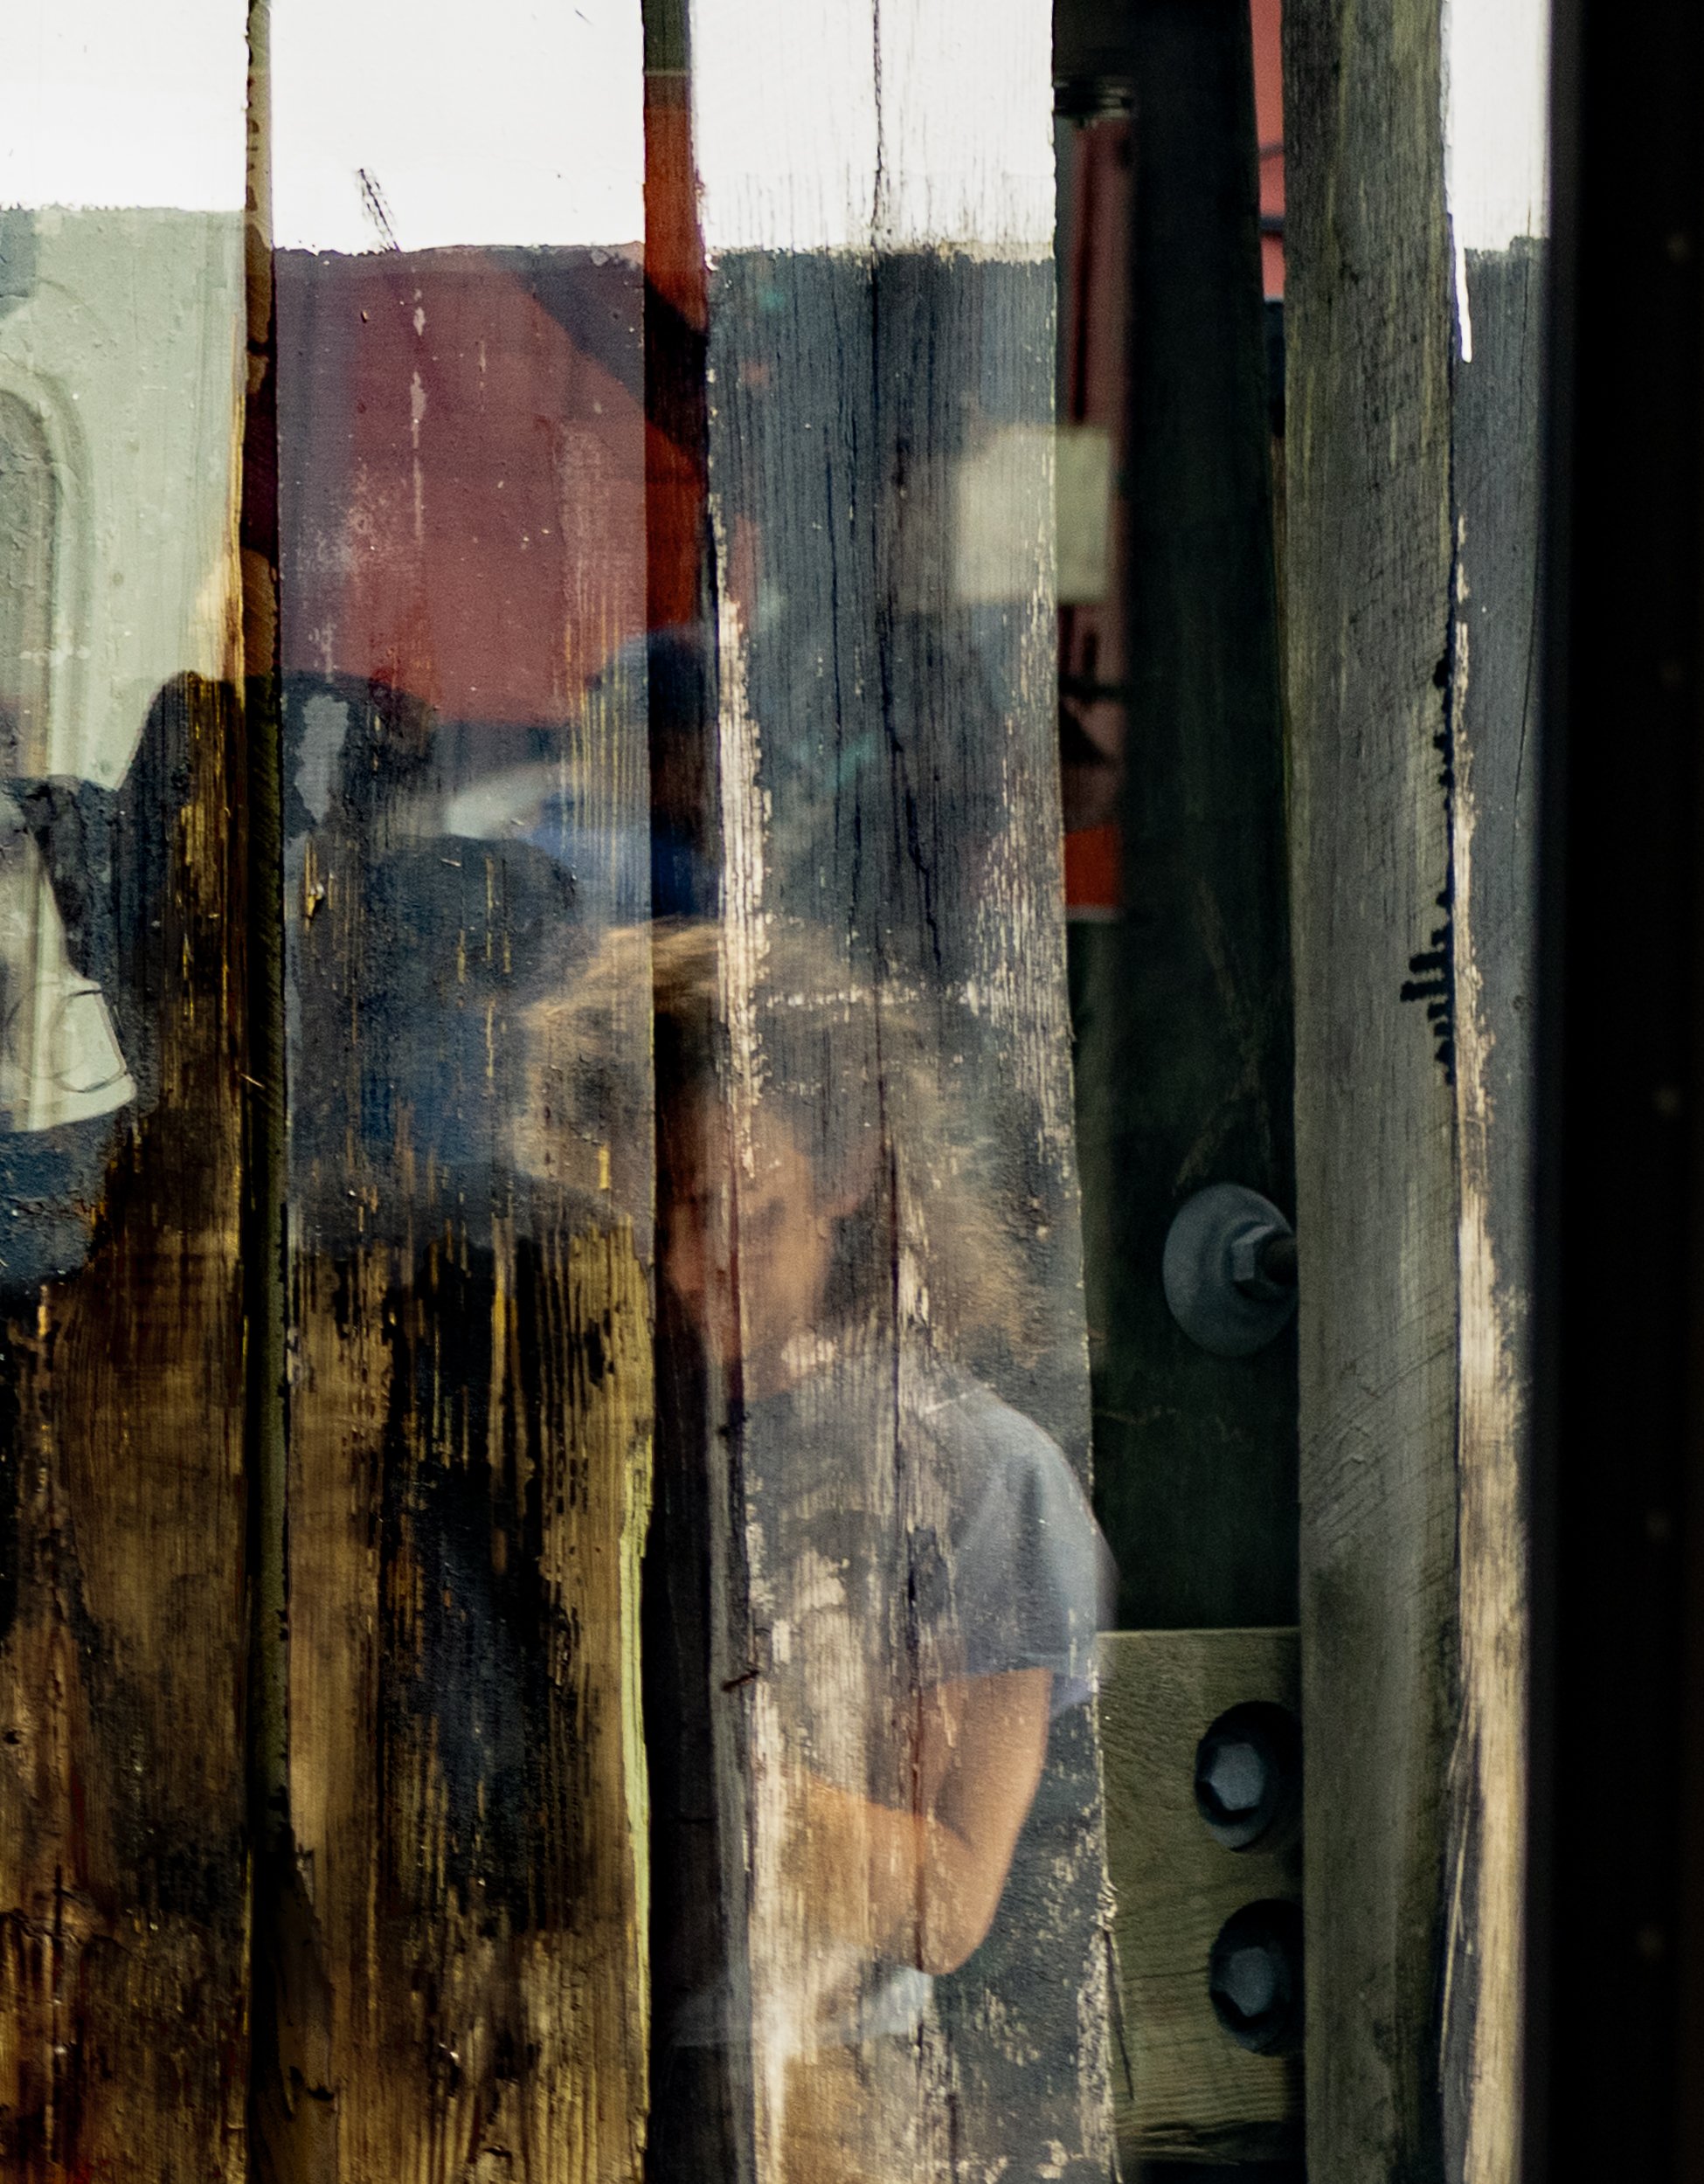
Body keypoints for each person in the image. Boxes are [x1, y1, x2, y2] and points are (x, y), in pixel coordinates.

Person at [517, 917, 1112, 2177]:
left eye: (729, 1212)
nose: (679, 1273)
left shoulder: (979, 1477)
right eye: (628, 1232)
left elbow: (941, 1905)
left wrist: (677, 1758)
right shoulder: (587, 1430)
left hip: (810, 2090)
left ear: (844, 1163)